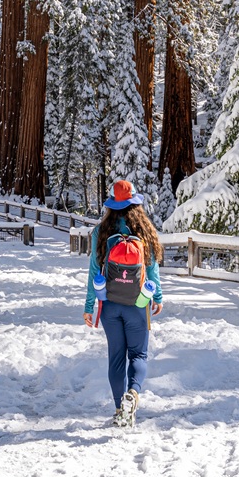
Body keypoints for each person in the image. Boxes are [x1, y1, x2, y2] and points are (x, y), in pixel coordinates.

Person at [83, 179, 163, 426]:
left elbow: (94, 270)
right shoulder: (144, 230)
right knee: (138, 354)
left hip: (110, 304)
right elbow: (151, 268)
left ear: (112, 205)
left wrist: (89, 307)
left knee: (116, 357)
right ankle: (134, 393)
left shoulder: (101, 231)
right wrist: (157, 296)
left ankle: (120, 409)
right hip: (138, 303)